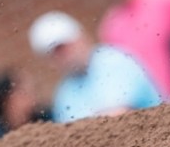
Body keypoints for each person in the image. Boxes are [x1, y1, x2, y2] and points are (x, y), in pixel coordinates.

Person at [28, 10, 162, 123]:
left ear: (81, 37)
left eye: (64, 48)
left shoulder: (113, 60)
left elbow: (118, 118)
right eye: (54, 54)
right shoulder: (64, 94)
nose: (63, 57)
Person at [0, 70, 51, 145]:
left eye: (33, 92)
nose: (32, 100)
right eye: (24, 93)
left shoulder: (44, 121)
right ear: (5, 99)